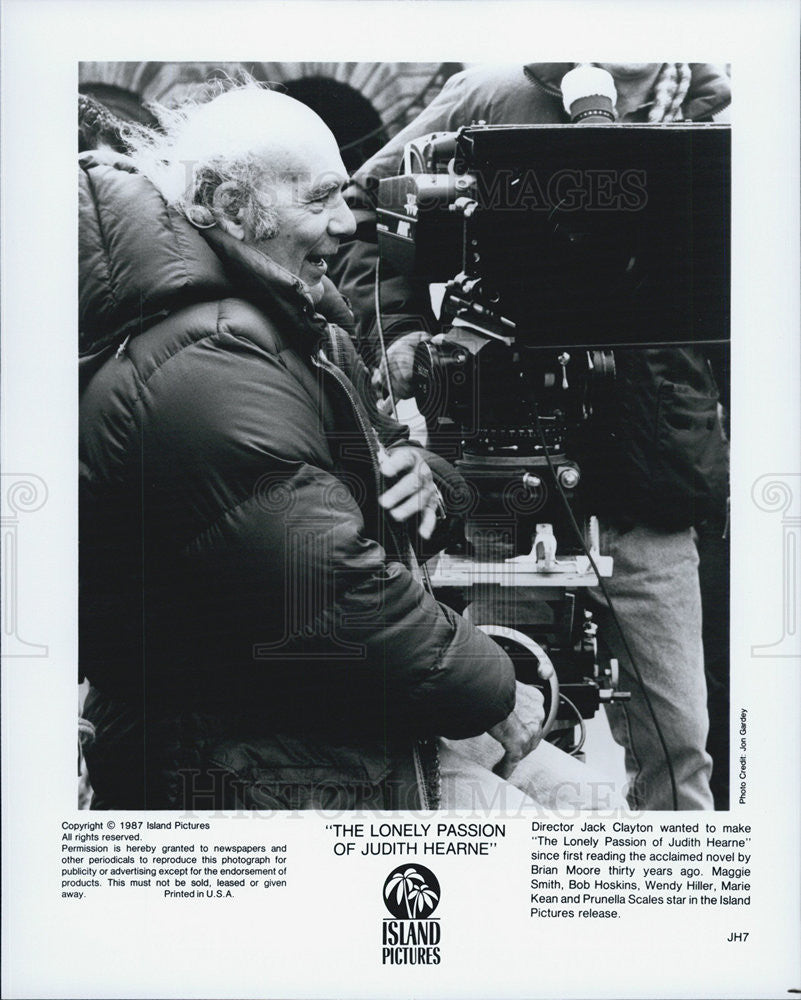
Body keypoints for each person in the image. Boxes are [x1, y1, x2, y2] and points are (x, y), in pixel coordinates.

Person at [79, 83, 617, 812]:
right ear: (226, 203)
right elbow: (329, 591)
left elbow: (402, 491)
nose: (345, 225)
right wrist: (492, 689)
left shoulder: (287, 323)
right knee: (565, 827)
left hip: (325, 713)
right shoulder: (207, 361)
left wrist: (432, 481)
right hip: (243, 754)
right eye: (320, 199)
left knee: (585, 804)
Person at [333, 63, 731, 810]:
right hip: (499, 481)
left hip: (651, 475)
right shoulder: (494, 95)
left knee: (681, 747)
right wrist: (406, 332)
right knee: (495, 730)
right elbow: (361, 209)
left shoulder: (713, 116)